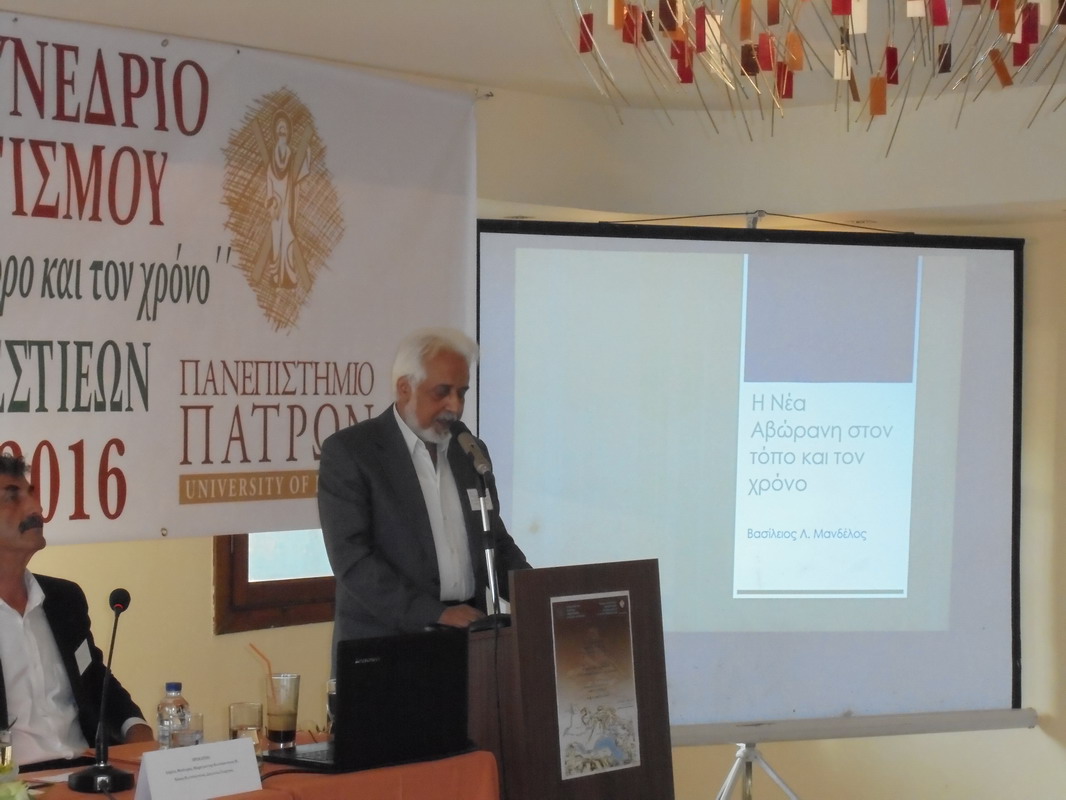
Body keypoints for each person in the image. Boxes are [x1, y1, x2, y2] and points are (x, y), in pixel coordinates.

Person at [318, 327, 530, 652]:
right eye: (442, 392)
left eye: (462, 393)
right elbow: (353, 560)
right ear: (405, 388)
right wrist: (437, 614)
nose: (454, 406)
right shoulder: (352, 452)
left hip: (468, 638)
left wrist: (538, 595)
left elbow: (494, 541)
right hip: (386, 644)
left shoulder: (469, 452)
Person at [0, 453, 153, 769]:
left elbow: (93, 679)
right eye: (12, 498)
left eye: (32, 495)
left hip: (85, 770)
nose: (36, 509)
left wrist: (135, 727)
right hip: (13, 780)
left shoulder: (63, 599)